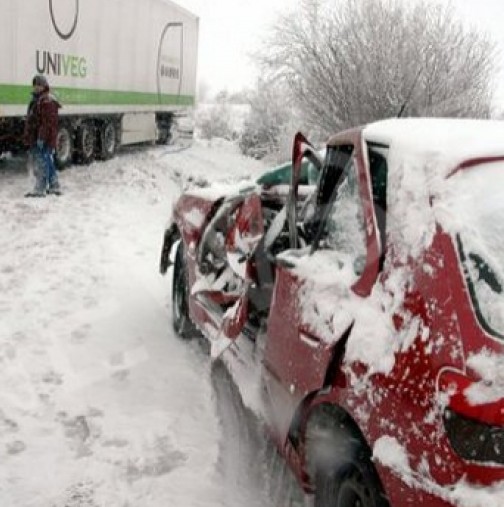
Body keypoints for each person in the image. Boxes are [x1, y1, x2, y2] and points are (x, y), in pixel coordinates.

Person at [24, 75, 62, 197]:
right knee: (46, 161)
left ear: (44, 86)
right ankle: (54, 185)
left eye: (39, 85)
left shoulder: (46, 101)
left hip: (44, 137)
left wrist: (41, 137)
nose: (36, 87)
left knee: (42, 162)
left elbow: (47, 123)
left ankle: (40, 188)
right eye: (35, 85)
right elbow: (32, 119)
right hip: (37, 136)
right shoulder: (37, 99)